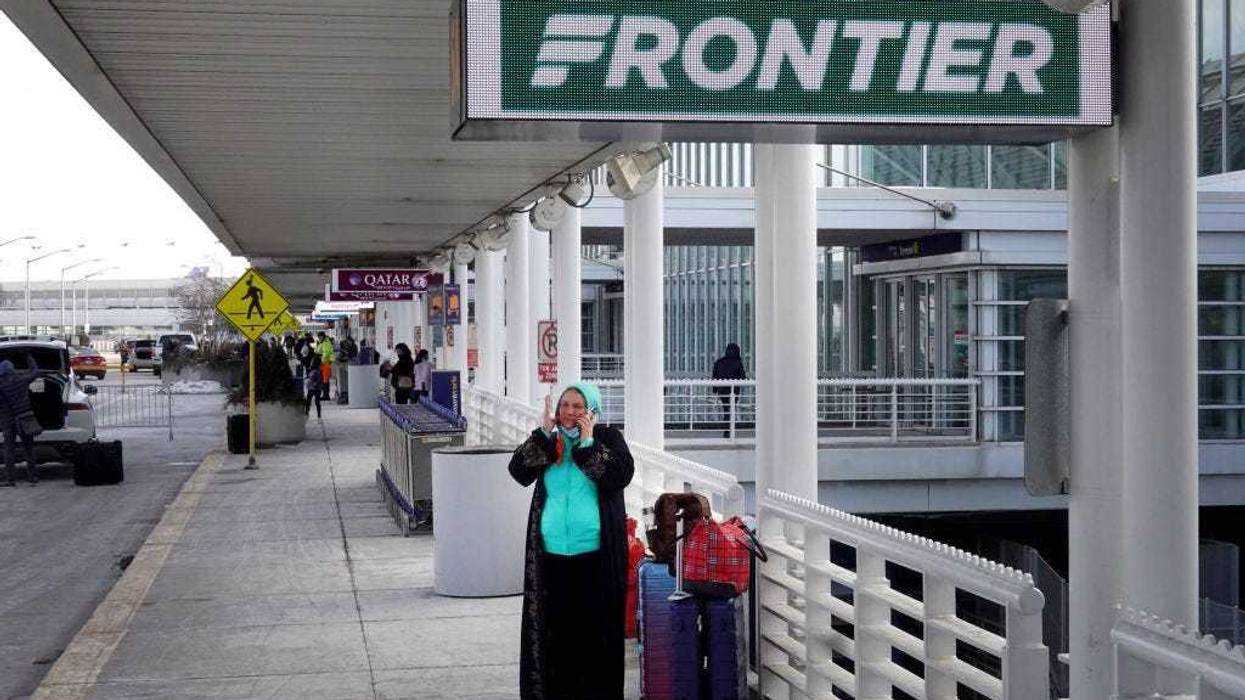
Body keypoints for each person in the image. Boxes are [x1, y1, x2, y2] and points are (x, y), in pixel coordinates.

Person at [508, 382, 634, 699]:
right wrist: (542, 434)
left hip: (595, 556)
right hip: (551, 555)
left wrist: (588, 443)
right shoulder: (551, 443)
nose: (570, 412)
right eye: (565, 405)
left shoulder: (607, 438)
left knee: (594, 633)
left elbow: (619, 476)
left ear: (592, 410)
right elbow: (518, 471)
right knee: (557, 635)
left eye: (578, 406)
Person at [0, 356, 42, 487]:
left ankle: (10, 479)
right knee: (28, 448)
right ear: (12, 370)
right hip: (24, 417)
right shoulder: (21, 380)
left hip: (7, 420)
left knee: (9, 449)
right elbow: (35, 372)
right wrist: (29, 357)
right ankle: (32, 477)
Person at [711, 342, 747, 437]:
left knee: (726, 409)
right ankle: (730, 429)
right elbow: (743, 377)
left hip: (722, 390)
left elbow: (715, 378)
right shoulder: (738, 363)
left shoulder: (719, 362)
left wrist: (715, 391)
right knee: (731, 409)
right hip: (734, 390)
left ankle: (727, 430)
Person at [316, 333, 335, 401]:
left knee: (325, 380)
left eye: (320, 337)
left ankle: (326, 395)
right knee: (323, 380)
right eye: (319, 337)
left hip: (325, 364)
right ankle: (325, 394)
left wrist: (320, 359)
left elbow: (326, 353)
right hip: (323, 364)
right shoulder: (322, 343)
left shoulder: (325, 343)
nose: (319, 338)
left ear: (323, 337)